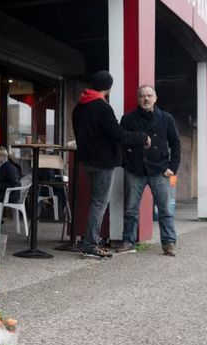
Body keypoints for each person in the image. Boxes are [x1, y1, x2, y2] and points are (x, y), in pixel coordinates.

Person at [72, 70, 151, 259]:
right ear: (108, 88)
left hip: (87, 160)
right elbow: (119, 134)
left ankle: (90, 240)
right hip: (102, 162)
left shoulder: (79, 107)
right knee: (99, 203)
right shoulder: (102, 107)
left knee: (96, 202)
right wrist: (142, 137)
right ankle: (90, 244)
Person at [117, 85, 181, 256]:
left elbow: (175, 143)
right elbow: (121, 141)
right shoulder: (128, 119)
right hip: (135, 169)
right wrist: (125, 163)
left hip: (159, 170)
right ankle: (128, 242)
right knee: (130, 209)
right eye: (142, 96)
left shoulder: (166, 118)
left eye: (149, 95)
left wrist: (172, 168)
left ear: (155, 98)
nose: (146, 99)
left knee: (165, 210)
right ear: (137, 98)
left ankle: (168, 243)